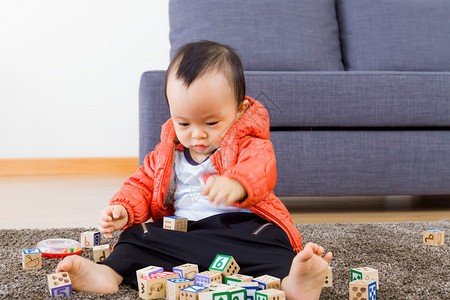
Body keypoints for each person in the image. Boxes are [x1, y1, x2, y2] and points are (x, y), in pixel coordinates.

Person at [56, 40, 332, 300]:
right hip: (183, 234)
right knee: (136, 236)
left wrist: (238, 183)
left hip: (241, 232)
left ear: (239, 110)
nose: (197, 135)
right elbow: (142, 184)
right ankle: (108, 272)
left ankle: (293, 283)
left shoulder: (248, 145)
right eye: (184, 124)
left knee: (273, 241)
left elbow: (261, 168)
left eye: (211, 123)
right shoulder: (167, 154)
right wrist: (123, 209)